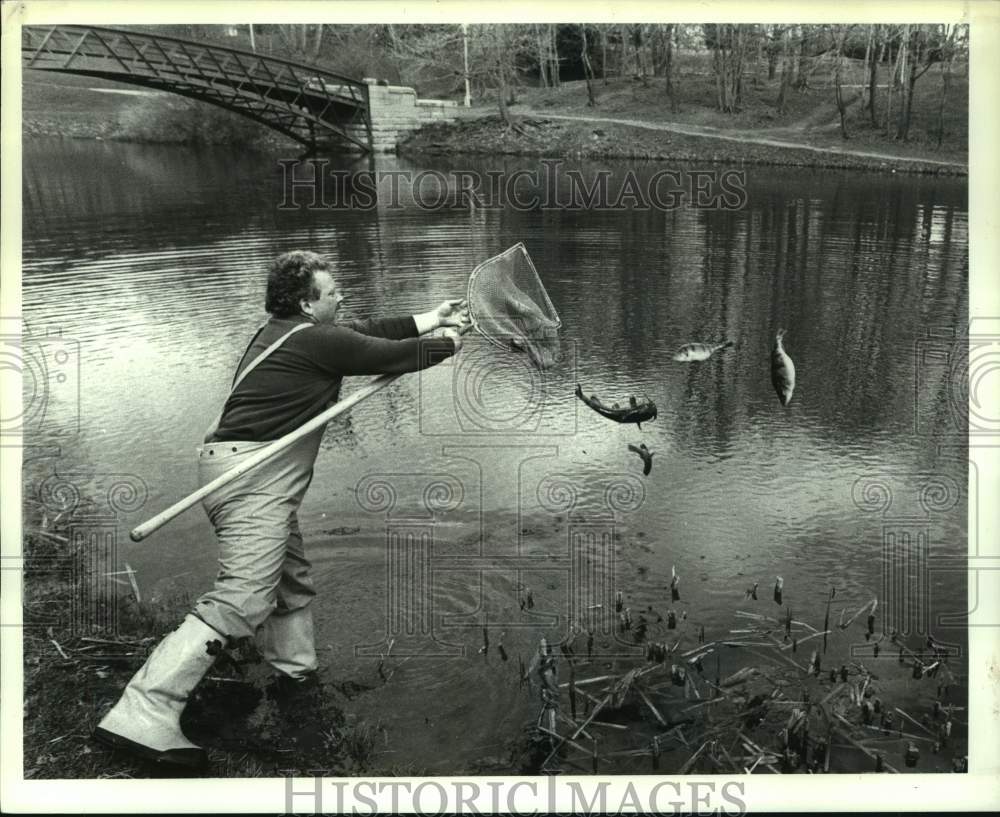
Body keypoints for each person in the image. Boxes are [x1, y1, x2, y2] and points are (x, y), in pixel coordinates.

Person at [93, 250, 468, 769]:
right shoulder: (318, 340)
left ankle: (295, 674)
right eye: (331, 291)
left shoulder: (289, 331)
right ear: (306, 303)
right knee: (244, 595)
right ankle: (142, 709)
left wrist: (432, 318)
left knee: (288, 581)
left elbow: (366, 333)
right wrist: (447, 343)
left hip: (244, 470)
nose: (340, 295)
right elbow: (383, 353)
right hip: (250, 478)